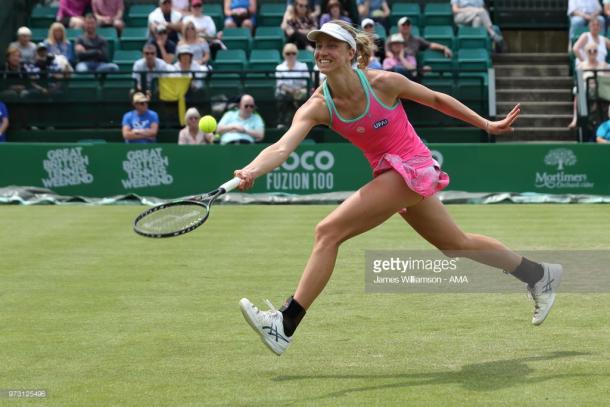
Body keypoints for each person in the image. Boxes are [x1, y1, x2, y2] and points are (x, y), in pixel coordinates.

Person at [235, 21, 562, 356]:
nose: (322, 52)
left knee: (328, 231)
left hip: (413, 166)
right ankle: (538, 274)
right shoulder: (318, 106)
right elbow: (280, 148)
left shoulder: (383, 82)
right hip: (390, 174)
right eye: (319, 45)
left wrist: (486, 123)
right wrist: (250, 170)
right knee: (456, 244)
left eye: (332, 45)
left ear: (351, 53)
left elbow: (436, 99)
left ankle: (285, 324)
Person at [568, 41, 610, 129]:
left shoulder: (604, 65)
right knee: (579, 92)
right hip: (586, 91)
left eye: (595, 51)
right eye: (589, 51)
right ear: (586, 52)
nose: (592, 53)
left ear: (597, 52)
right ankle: (577, 119)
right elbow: (579, 79)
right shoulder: (581, 66)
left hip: (602, 91)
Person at [388, 16, 453, 65]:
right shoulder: (392, 38)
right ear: (399, 27)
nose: (406, 26)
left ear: (410, 26)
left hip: (410, 68)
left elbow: (430, 45)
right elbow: (387, 52)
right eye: (403, 25)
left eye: (408, 24)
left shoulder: (417, 40)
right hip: (394, 65)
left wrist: (444, 48)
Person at [276, 43, 310, 128]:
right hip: (285, 92)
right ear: (284, 55)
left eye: (293, 53)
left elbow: (305, 83)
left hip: (299, 91)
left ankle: (302, 122)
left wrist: (297, 90)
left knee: (303, 95)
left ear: (296, 54)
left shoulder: (303, 66)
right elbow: (280, 84)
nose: (291, 55)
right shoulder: (279, 68)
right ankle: (282, 122)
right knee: (282, 96)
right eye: (288, 53)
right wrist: (290, 91)